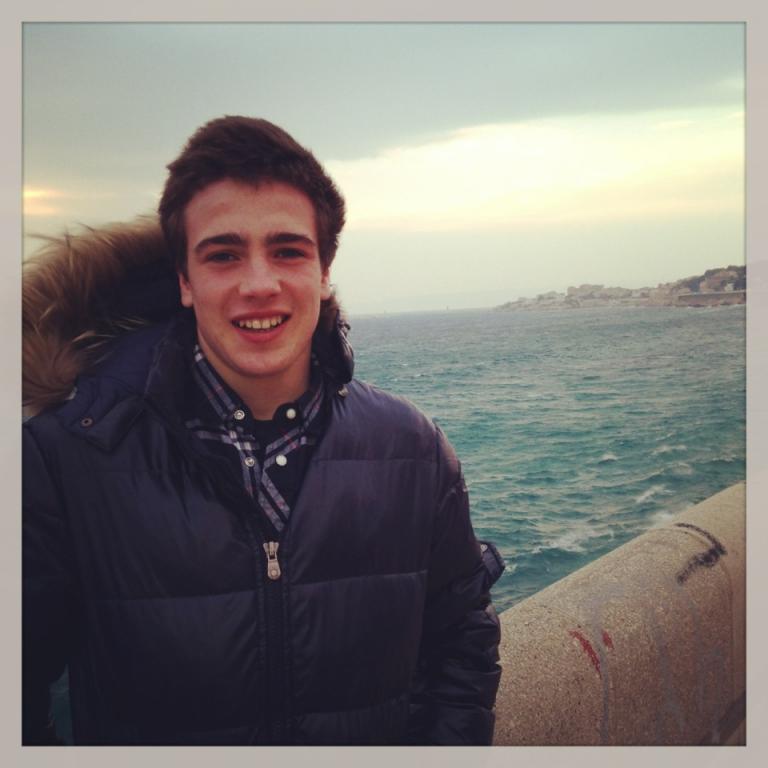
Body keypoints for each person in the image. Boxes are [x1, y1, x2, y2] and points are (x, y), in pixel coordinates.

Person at [22, 116, 504, 746]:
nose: (258, 284)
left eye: (288, 251)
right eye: (223, 255)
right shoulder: (65, 458)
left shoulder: (412, 448)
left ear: (323, 272)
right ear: (185, 281)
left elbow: (462, 640)